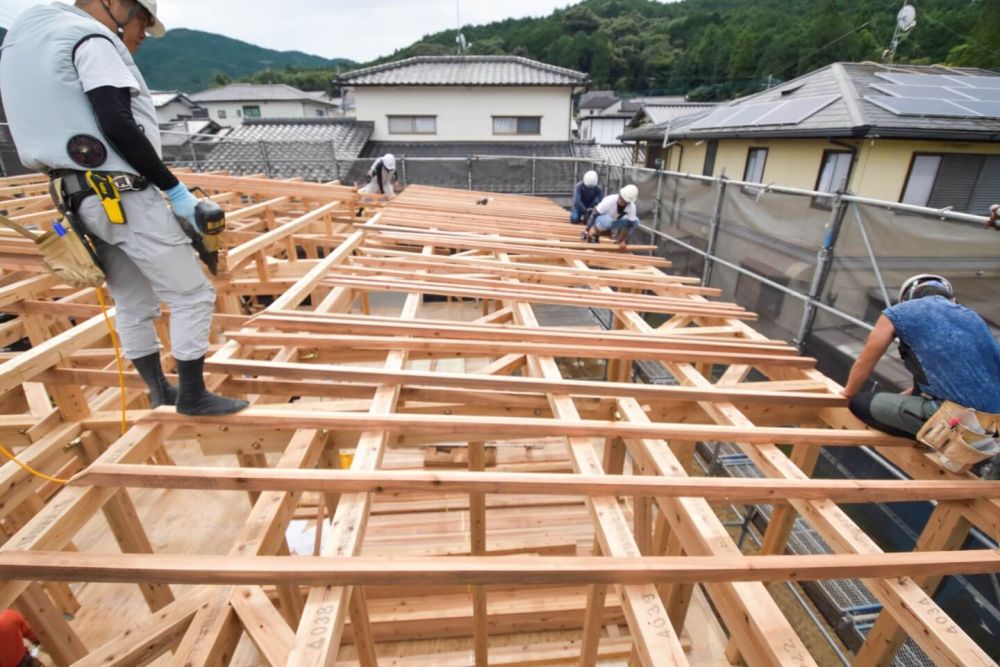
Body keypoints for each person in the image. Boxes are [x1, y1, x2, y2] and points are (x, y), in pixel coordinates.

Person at [0, 0, 248, 417]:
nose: (139, 36)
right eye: (141, 22)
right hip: (123, 192)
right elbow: (117, 124)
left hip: (78, 198)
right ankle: (191, 395)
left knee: (132, 299)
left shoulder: (26, 45)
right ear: (115, 3)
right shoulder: (91, 40)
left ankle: (159, 391)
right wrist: (175, 191)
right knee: (191, 293)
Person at [843, 274, 1000, 439]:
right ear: (951, 299)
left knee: (860, 403)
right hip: (994, 423)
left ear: (906, 299)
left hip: (958, 422)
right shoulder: (972, 318)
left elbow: (865, 362)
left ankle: (937, 437)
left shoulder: (898, 313)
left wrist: (848, 394)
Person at [581, 184, 640, 249]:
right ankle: (595, 235)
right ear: (619, 194)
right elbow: (594, 214)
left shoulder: (631, 207)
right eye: (621, 198)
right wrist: (586, 230)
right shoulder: (609, 200)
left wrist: (625, 241)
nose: (621, 202)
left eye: (624, 201)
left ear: (628, 202)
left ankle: (620, 241)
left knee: (636, 221)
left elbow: (632, 225)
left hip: (613, 222)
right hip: (600, 221)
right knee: (607, 220)